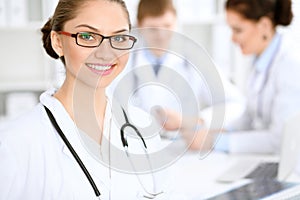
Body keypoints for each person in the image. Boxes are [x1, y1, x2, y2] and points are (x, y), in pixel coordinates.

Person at [0, 0, 173, 199]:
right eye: (87, 36)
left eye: (118, 38)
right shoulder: (15, 143)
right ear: (58, 42)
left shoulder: (144, 128)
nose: (106, 53)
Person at [108, 0, 245, 147]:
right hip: (136, 146)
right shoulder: (124, 61)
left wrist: (193, 120)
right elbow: (107, 106)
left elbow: (236, 105)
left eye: (167, 26)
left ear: (176, 22)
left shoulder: (195, 59)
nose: (161, 35)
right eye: (153, 29)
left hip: (185, 147)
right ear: (140, 26)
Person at [186, 0, 300, 153]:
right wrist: (216, 132)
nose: (232, 39)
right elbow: (249, 118)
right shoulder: (260, 59)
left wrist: (215, 141)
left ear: (264, 26)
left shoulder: (290, 64)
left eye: (238, 30)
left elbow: (279, 140)